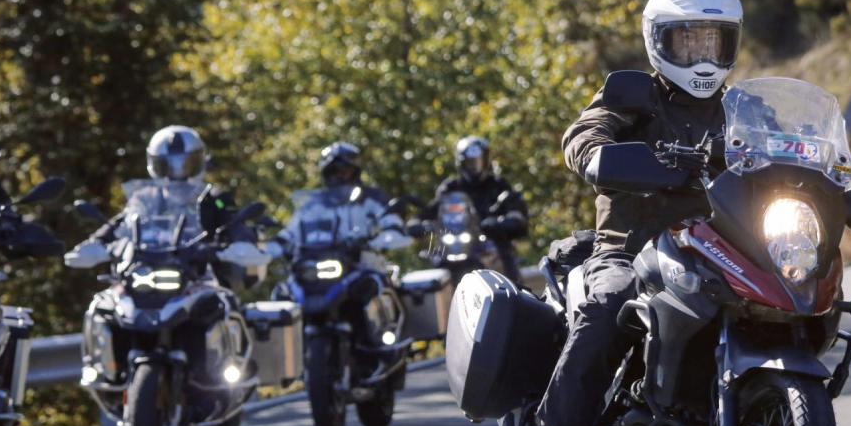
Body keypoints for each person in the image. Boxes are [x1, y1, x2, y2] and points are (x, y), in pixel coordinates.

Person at [533, 0, 743, 426]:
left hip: (721, 252)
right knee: (610, 303)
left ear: (730, 42)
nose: (700, 54)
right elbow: (585, 134)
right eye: (688, 39)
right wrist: (594, 153)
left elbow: (796, 149)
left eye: (711, 40)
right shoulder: (633, 96)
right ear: (660, 40)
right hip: (632, 250)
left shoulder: (745, 110)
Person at [64, 126, 264, 282]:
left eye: (186, 164)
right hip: (145, 272)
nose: (177, 172)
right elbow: (120, 223)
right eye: (167, 165)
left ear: (200, 162)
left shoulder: (215, 198)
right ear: (155, 165)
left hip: (202, 274)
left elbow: (235, 223)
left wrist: (242, 243)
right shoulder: (145, 198)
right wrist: (95, 243)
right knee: (105, 305)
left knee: (224, 306)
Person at [265, 141, 411, 263]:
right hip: (319, 269)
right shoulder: (313, 205)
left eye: (346, 170)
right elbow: (289, 234)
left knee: (373, 285)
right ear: (326, 173)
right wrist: (267, 248)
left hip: (364, 266)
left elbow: (391, 223)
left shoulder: (371, 198)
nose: (341, 175)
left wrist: (384, 237)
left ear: (355, 171)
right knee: (284, 291)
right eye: (335, 171)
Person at [413, 136, 529, 281]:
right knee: (434, 270)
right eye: (470, 162)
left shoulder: (499, 185)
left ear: (486, 161)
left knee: (507, 266)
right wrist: (418, 224)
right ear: (461, 163)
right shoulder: (450, 187)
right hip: (455, 247)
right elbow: (432, 209)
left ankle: (514, 297)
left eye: (478, 162)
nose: (474, 166)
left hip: (491, 245)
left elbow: (515, 211)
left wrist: (503, 222)